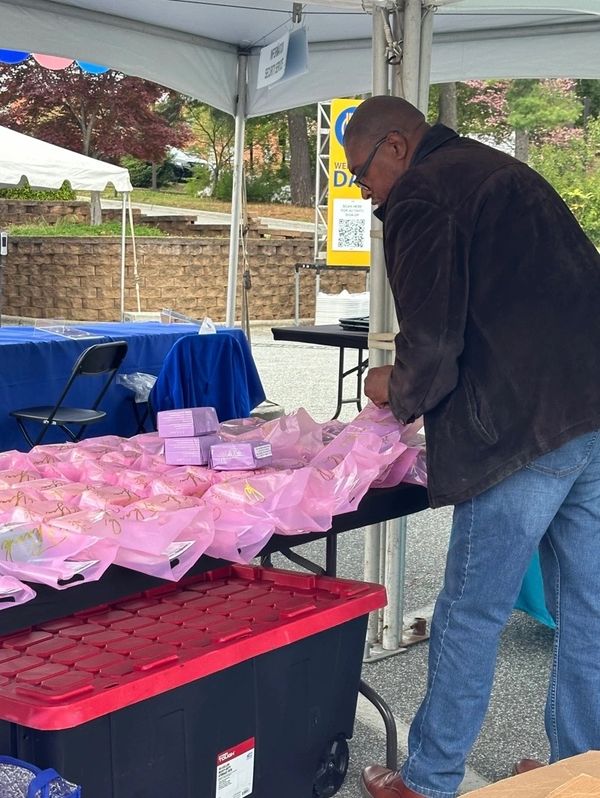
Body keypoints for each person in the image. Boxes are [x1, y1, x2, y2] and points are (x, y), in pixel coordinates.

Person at [342, 95, 600, 798]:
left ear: (397, 146)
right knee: (588, 609)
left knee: (469, 611)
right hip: (590, 409)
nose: (365, 193)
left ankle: (428, 781)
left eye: (363, 174)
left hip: (521, 427)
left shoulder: (423, 193)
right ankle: (579, 769)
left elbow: (432, 344)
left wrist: (392, 385)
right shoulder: (497, 169)